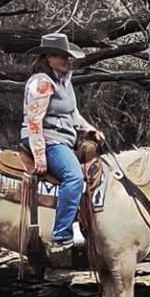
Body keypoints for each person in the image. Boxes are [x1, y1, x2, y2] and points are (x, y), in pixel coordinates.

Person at [22, 32, 104, 256]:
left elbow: (72, 114)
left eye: (67, 57)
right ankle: (61, 235)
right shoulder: (41, 83)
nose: (67, 61)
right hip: (48, 139)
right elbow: (34, 121)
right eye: (61, 57)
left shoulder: (64, 81)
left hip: (63, 138)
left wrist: (89, 129)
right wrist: (39, 155)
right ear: (48, 57)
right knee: (74, 176)